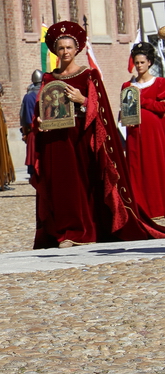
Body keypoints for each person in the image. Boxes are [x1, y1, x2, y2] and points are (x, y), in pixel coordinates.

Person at [31, 22, 165, 248]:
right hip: (55, 142)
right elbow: (39, 111)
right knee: (61, 186)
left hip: (81, 138)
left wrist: (82, 100)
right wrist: (39, 123)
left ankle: (86, 229)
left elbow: (101, 108)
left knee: (85, 183)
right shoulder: (48, 79)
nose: (65, 52)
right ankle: (66, 231)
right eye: (61, 48)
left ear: (76, 50)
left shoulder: (88, 75)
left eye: (69, 48)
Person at [122, 42, 165, 222]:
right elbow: (124, 109)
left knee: (155, 167)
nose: (138, 66)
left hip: (154, 134)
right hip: (134, 133)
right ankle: (140, 207)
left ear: (149, 62)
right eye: (136, 62)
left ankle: (159, 205)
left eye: (142, 62)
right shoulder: (127, 85)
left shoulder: (160, 83)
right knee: (136, 167)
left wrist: (143, 101)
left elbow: (162, 107)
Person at [20, 69, 42, 180]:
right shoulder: (47, 92)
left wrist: (24, 132)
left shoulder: (28, 97)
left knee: (34, 161)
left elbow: (25, 118)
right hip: (47, 131)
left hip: (33, 132)